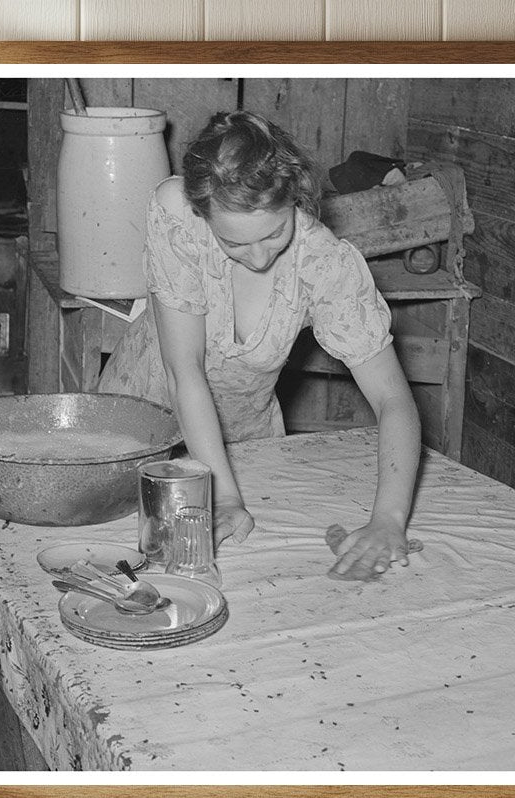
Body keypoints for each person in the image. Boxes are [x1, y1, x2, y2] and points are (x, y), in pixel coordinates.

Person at [98, 110, 420, 579]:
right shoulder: (177, 214)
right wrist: (224, 496)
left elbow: (392, 398)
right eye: (233, 243)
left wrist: (388, 520)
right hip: (139, 423)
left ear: (293, 199)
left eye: (274, 233)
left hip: (244, 441)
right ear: (202, 213)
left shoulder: (324, 264)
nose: (259, 257)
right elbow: (183, 370)